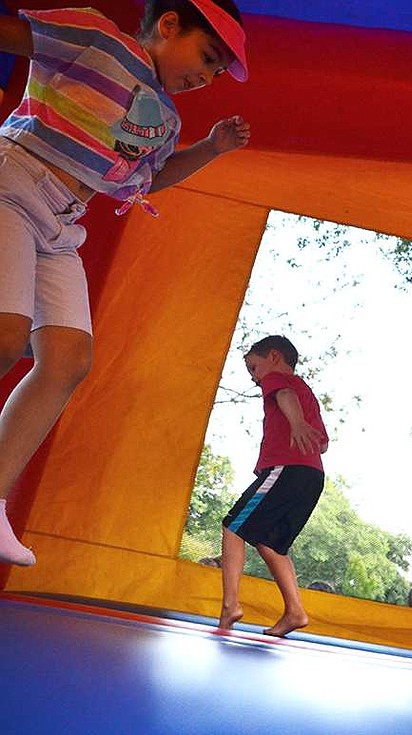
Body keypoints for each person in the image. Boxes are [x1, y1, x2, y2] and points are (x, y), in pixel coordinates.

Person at [0, 0, 251, 566]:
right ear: (168, 25)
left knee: (68, 358)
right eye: (206, 57)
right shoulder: (99, 41)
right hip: (14, 180)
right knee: (7, 335)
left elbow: (151, 180)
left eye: (214, 74)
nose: (204, 78)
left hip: (63, 220)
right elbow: (18, 35)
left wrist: (209, 149)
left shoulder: (167, 120)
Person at [218, 336, 329, 637]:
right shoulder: (307, 391)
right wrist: (301, 426)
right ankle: (295, 611)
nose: (255, 378)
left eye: (254, 368)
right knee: (271, 543)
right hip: (311, 477)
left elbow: (283, 396)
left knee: (233, 527)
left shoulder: (278, 379)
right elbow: (323, 443)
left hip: (286, 469)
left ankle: (230, 604)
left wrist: (294, 423)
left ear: (275, 357)